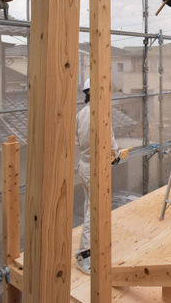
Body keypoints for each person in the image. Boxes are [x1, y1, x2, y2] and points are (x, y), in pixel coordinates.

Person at [75, 78, 120, 275]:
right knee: (93, 211)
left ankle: (93, 243)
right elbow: (109, 136)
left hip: (84, 166)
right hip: (95, 168)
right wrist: (115, 152)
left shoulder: (80, 115)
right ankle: (84, 255)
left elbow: (77, 140)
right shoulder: (100, 113)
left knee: (88, 205)